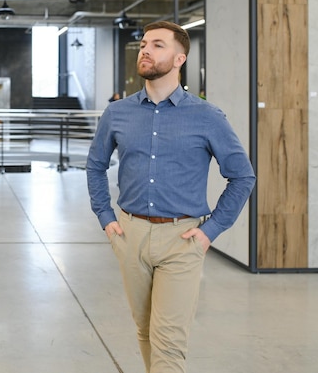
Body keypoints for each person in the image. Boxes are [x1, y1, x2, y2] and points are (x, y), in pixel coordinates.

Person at [86, 21, 255, 373]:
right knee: (146, 331)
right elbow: (95, 166)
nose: (145, 50)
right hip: (129, 236)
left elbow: (242, 176)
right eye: (144, 44)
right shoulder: (118, 113)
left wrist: (211, 230)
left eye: (157, 45)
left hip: (182, 240)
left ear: (180, 58)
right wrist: (106, 219)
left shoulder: (207, 116)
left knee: (169, 341)